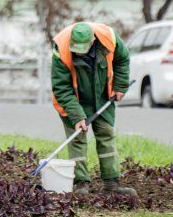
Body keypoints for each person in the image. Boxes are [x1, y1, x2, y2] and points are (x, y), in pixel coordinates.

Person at [50, 21, 136, 197]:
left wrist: (120, 86)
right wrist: (77, 116)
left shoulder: (109, 38)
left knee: (106, 135)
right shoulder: (61, 48)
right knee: (78, 139)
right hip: (73, 99)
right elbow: (61, 88)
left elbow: (122, 60)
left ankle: (111, 183)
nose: (79, 53)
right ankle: (80, 184)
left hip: (102, 95)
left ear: (93, 41)